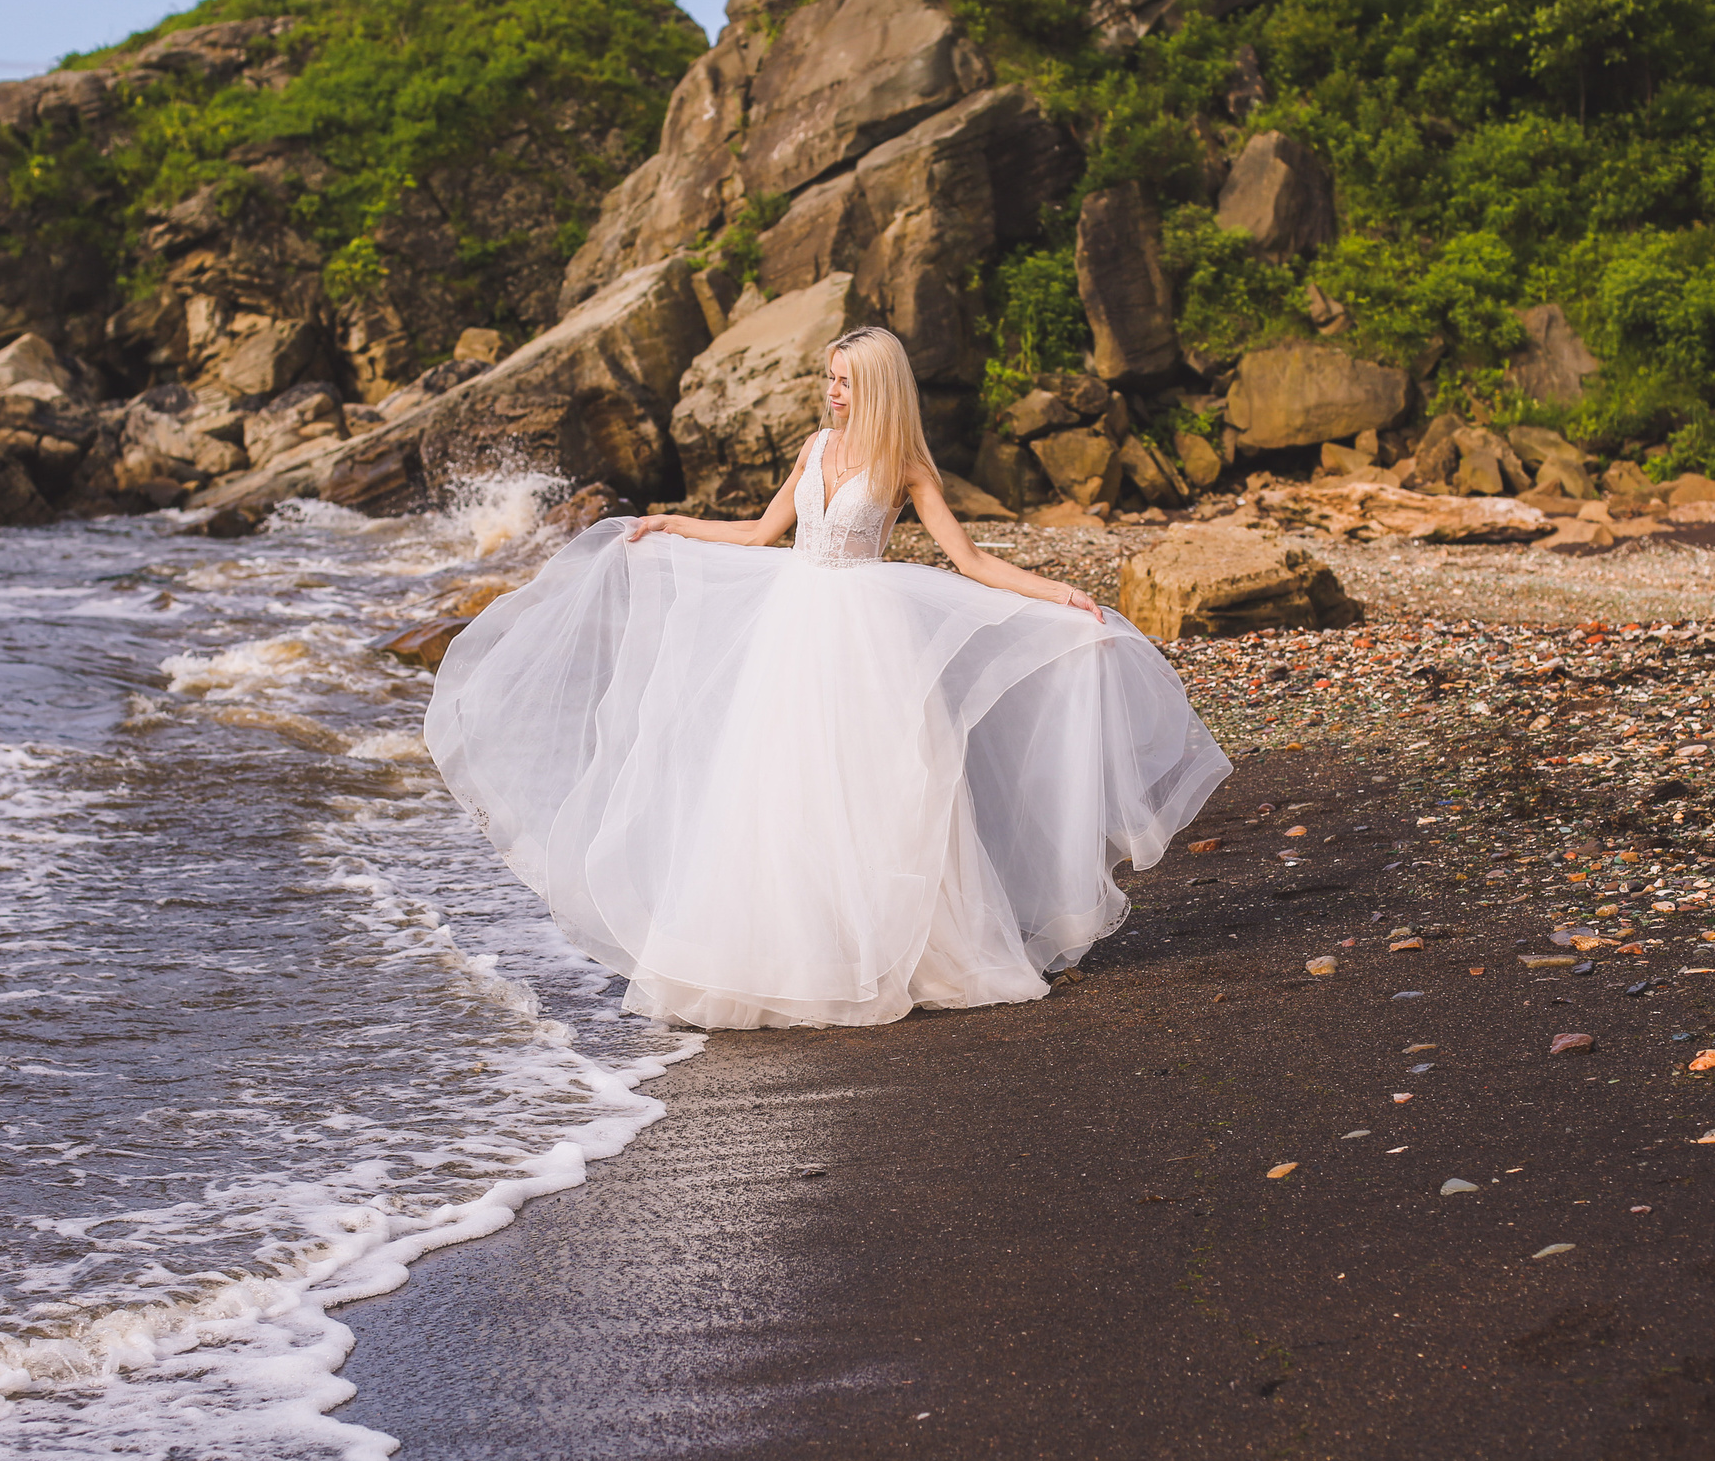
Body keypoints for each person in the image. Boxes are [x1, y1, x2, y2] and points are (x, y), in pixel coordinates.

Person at [422, 327, 1229, 1030]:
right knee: (776, 790)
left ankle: (897, 954)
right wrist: (671, 522)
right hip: (793, 631)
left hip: (868, 638)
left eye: (842, 381)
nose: (831, 392)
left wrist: (1059, 593)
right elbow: (764, 531)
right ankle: (781, 957)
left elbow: (970, 560)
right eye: (829, 380)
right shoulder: (814, 447)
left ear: (873, 388)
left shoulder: (906, 464)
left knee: (883, 793)